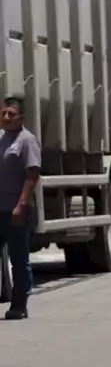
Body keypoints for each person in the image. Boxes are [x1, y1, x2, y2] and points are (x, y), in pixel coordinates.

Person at [0, 97, 42, 320]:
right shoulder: (1, 138)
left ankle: (19, 305)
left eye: (11, 114)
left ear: (21, 117)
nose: (6, 117)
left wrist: (22, 204)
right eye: (3, 112)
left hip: (16, 210)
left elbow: (32, 174)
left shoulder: (27, 141)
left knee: (18, 258)